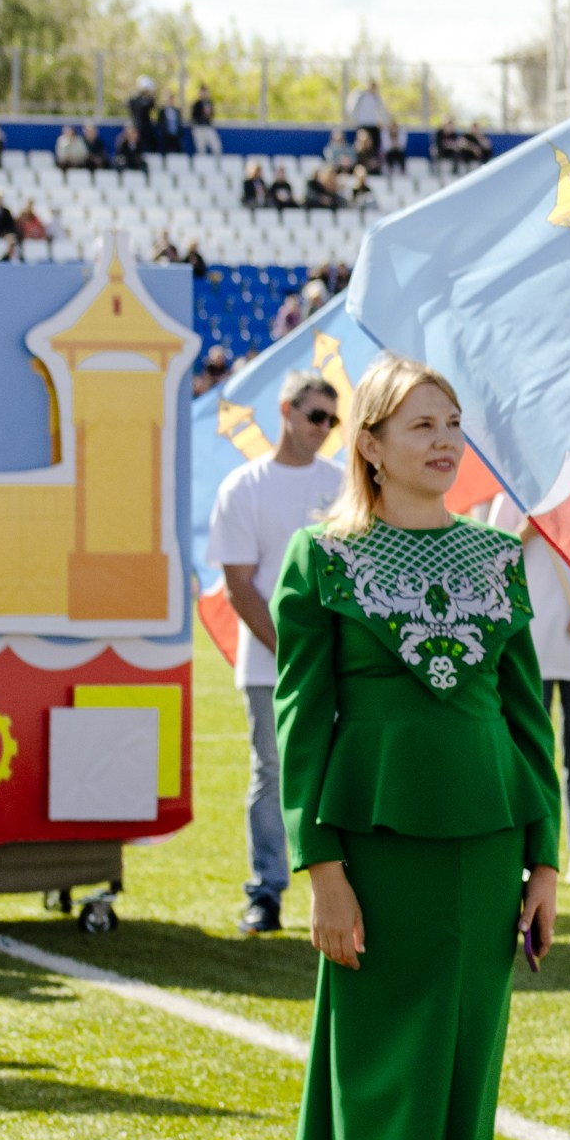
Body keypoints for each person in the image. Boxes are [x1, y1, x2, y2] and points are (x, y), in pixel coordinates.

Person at [268, 355, 560, 1140]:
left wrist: (546, 863)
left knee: (464, 1082)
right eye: (419, 423)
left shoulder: (497, 556)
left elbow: (529, 718)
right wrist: (324, 870)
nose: (443, 438)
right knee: (381, 1080)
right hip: (375, 851)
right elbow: (302, 721)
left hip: (488, 847)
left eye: (453, 421)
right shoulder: (322, 556)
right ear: (373, 446)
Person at [206, 372, 347, 936]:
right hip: (270, 664)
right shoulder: (244, 486)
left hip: (339, 662)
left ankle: (344, 889)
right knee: (273, 772)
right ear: (285, 411)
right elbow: (239, 584)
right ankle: (266, 891)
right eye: (315, 416)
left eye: (332, 421)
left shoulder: (343, 485)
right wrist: (293, 651)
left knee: (341, 772)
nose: (323, 430)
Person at [480, 495, 570, 889]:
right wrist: (528, 530)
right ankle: (529, 852)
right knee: (528, 754)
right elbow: (489, 563)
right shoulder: (510, 494)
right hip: (529, 650)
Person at [190, 85, 220, 155]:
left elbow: (212, 114)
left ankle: (217, 164)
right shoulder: (197, 103)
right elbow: (193, 116)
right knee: (201, 149)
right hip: (199, 127)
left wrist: (209, 114)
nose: (204, 94)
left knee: (216, 146)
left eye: (205, 92)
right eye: (202, 92)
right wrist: (202, 114)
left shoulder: (210, 102)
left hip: (208, 127)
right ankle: (202, 164)